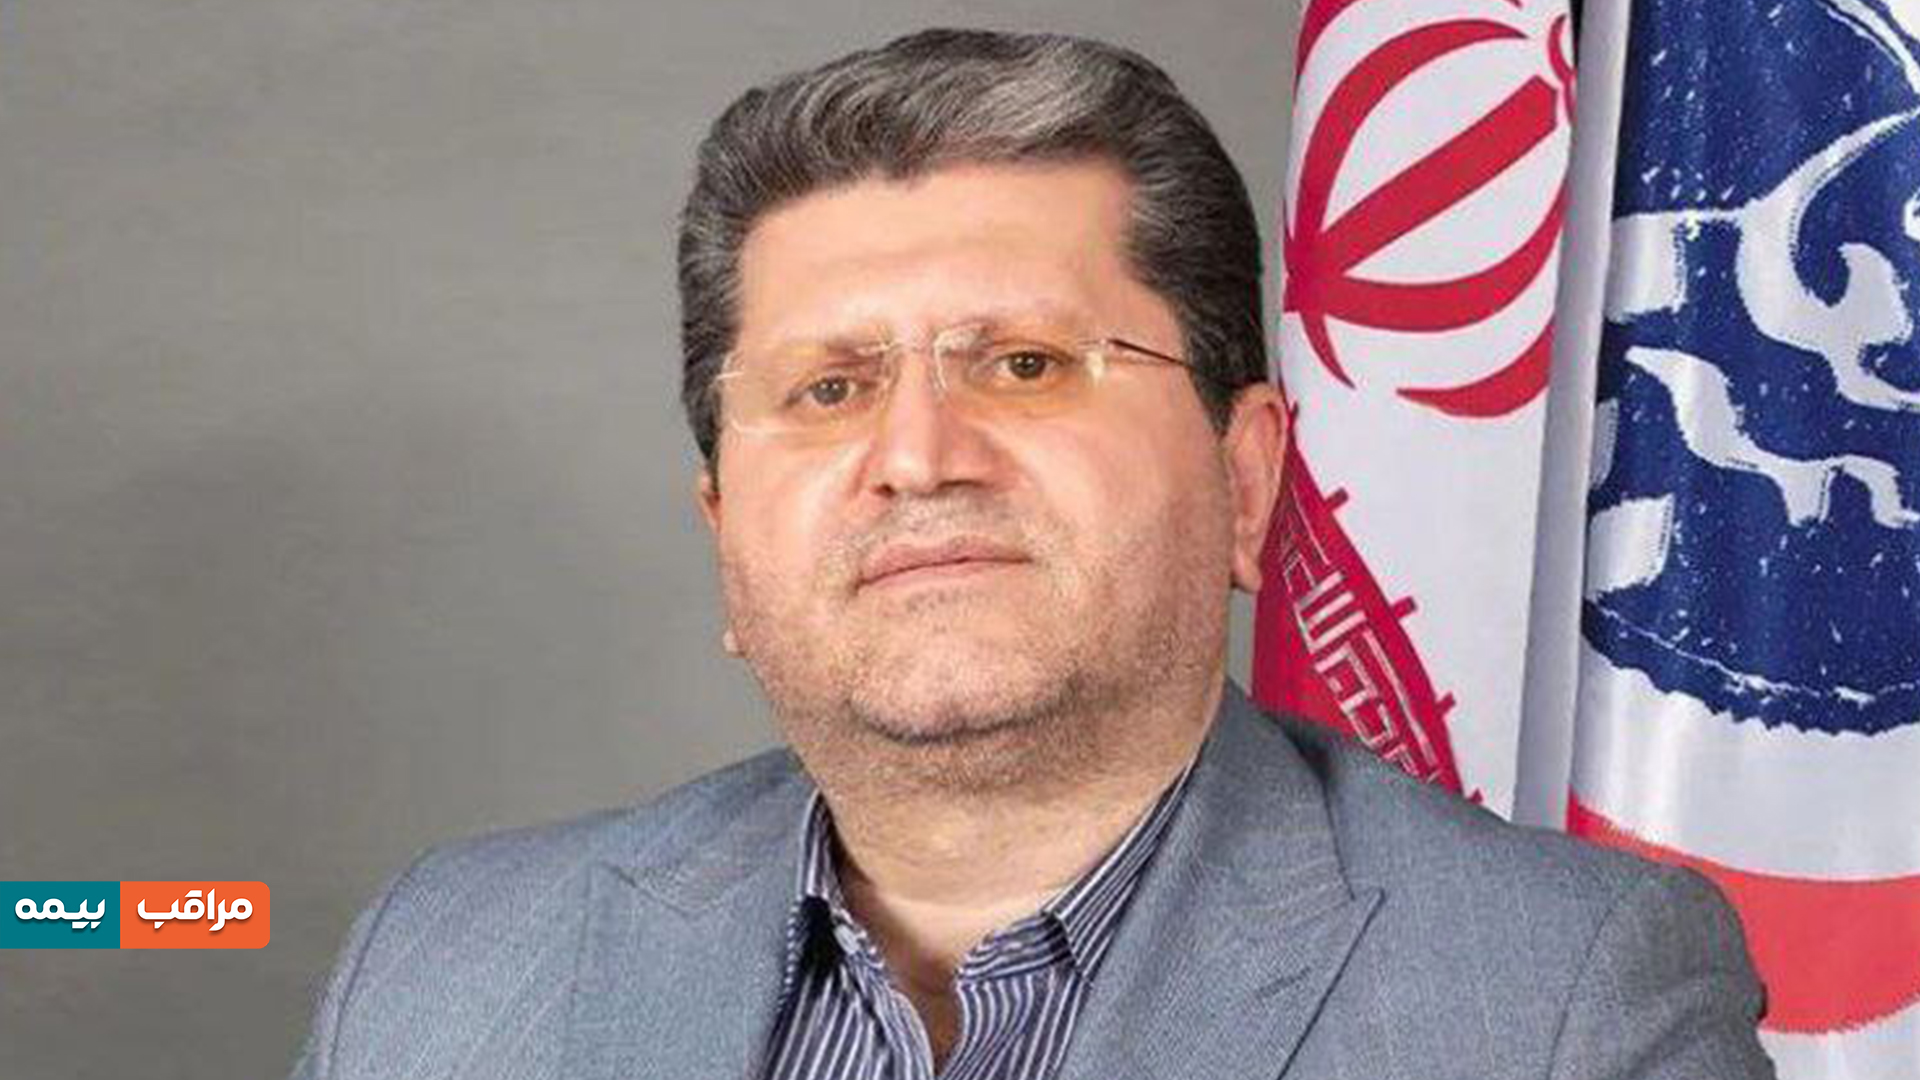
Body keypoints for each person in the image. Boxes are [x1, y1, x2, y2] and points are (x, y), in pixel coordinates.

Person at [289, 28, 1774, 1080]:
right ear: (724, 530)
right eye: (829, 389)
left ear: (1246, 479)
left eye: (1025, 366)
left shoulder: (1556, 1001)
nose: (919, 455)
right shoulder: (447, 967)